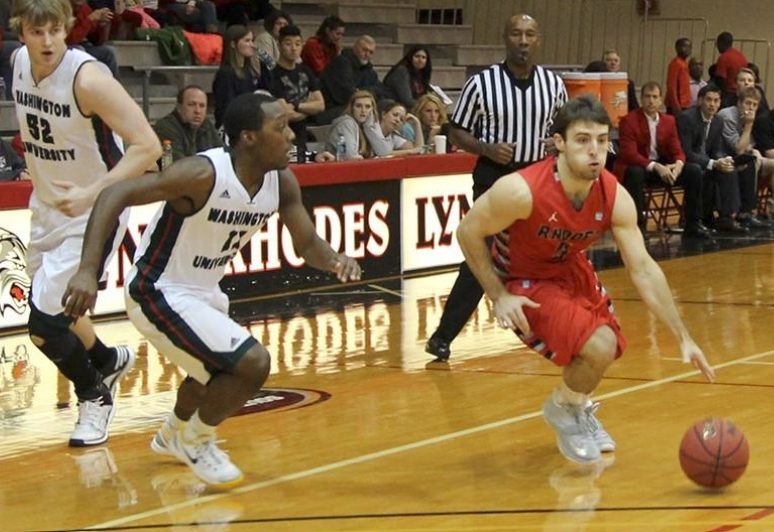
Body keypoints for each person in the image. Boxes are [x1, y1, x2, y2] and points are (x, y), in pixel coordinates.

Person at [62, 92, 362, 488]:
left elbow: (307, 244)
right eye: (280, 127)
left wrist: (335, 258)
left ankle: (173, 433)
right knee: (250, 364)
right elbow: (114, 194)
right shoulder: (202, 174)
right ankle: (197, 439)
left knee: (205, 374)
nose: (291, 136)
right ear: (248, 138)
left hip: (203, 289)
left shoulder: (281, 182)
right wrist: (87, 270)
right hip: (157, 288)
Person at [455, 95, 715, 463]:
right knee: (597, 346)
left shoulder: (613, 194)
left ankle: (576, 405)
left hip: (571, 271)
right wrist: (497, 295)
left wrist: (683, 336)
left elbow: (642, 267)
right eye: (582, 140)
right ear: (558, 143)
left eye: (601, 140)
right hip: (523, 279)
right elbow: (467, 232)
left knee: (608, 349)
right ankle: (563, 408)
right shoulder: (520, 190)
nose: (594, 150)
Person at [11, 0, 161, 446]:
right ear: (21, 33)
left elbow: (148, 147)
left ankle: (94, 397)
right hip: (48, 207)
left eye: (56, 31)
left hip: (96, 210)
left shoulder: (89, 78)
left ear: (67, 29)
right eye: (38, 32)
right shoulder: (18, 62)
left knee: (43, 324)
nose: (47, 42)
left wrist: (91, 192)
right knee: (62, 311)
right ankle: (108, 358)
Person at [425, 13, 567, 361]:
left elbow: (566, 129)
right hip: (494, 177)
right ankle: (443, 336)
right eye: (516, 33)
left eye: (529, 34)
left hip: (538, 177)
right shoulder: (482, 83)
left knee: (549, 252)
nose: (522, 40)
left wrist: (557, 143)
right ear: (506, 38)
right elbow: (455, 131)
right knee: (483, 253)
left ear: (538, 40)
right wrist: (486, 148)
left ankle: (558, 327)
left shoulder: (554, 85)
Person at [613, 82, 708, 238]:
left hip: (662, 167)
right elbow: (629, 154)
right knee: (634, 173)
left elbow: (677, 150)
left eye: (654, 97)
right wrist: (655, 166)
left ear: (660, 100)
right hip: (639, 166)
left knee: (694, 170)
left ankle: (693, 224)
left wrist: (678, 164)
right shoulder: (629, 120)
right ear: (641, 99)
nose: (651, 101)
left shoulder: (669, 121)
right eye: (647, 97)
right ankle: (638, 227)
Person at [677, 84, 745, 233]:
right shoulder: (686, 118)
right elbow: (686, 151)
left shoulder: (718, 121)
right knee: (699, 170)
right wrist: (713, 163)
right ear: (700, 101)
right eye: (709, 100)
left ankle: (726, 218)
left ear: (720, 103)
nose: (712, 104)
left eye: (716, 100)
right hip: (686, 164)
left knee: (729, 169)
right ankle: (697, 220)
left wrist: (724, 160)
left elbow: (716, 150)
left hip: (705, 162)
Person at [268, 25, 324, 163]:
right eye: (288, 43)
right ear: (279, 45)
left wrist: (295, 105)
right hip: (281, 135)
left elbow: (321, 105)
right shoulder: (272, 75)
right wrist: (308, 109)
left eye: (298, 44)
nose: (294, 48)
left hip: (302, 134)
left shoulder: (306, 71)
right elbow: (285, 113)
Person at [212, 24, 272, 128]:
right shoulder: (226, 73)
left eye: (252, 40)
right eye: (247, 41)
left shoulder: (247, 72)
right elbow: (227, 107)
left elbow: (264, 90)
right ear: (233, 44)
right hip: (233, 129)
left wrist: (264, 64)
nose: (252, 45)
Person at [153, 85, 222, 162]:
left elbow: (223, 156)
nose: (197, 111)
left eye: (202, 106)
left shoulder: (207, 125)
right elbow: (178, 164)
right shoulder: (165, 127)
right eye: (191, 104)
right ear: (179, 107)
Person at [383, 45, 432, 109]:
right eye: (417, 56)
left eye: (423, 57)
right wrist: (427, 105)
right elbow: (407, 100)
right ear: (410, 57)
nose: (420, 60)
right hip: (396, 107)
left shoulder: (421, 75)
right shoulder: (402, 71)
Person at [714, 31, 748, 108]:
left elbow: (720, 80)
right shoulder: (741, 56)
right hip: (741, 94)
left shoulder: (724, 57)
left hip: (728, 95)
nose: (717, 47)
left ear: (721, 43)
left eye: (717, 44)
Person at [665, 37, 692, 115]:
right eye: (684, 46)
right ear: (677, 48)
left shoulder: (684, 63)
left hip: (684, 103)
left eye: (689, 47)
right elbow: (671, 86)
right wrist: (675, 105)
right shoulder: (676, 63)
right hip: (677, 105)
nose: (687, 49)